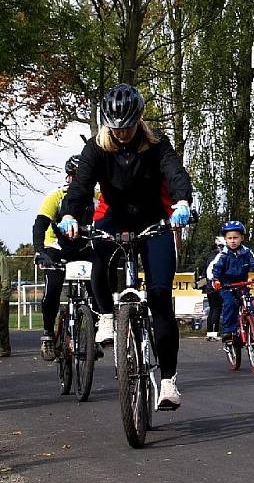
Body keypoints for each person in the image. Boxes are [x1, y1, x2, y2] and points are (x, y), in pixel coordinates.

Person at [59, 83, 193, 410]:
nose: (122, 133)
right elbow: (81, 188)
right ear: (108, 123)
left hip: (153, 221)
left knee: (161, 297)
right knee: (99, 262)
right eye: (116, 127)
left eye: (128, 126)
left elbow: (176, 174)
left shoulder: (157, 144)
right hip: (115, 219)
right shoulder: (96, 149)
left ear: (139, 120)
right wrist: (68, 215)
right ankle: (106, 316)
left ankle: (168, 382)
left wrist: (182, 203)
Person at [32, 155, 96, 361]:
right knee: (52, 290)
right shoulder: (56, 196)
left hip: (83, 248)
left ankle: (94, 335)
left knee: (99, 285)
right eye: (74, 177)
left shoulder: (96, 197)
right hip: (57, 248)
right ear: (68, 178)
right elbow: (40, 224)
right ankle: (48, 334)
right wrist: (40, 251)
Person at [209, 221, 254, 344]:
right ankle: (229, 332)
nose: (233, 241)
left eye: (235, 238)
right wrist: (215, 280)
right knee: (230, 303)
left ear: (242, 238)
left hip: (242, 284)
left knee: (250, 306)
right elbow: (214, 268)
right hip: (226, 285)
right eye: (229, 238)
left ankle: (251, 331)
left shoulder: (247, 252)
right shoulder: (223, 254)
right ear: (225, 239)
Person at [198, 237, 225, 341]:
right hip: (215, 285)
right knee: (216, 309)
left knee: (213, 309)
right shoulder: (218, 256)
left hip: (210, 286)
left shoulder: (210, 255)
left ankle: (210, 332)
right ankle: (213, 333)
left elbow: (204, 270)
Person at [0, 248, 11, 357]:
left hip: (1, 295)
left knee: (2, 323)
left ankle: (4, 348)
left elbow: (5, 278)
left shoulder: (1, 258)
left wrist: (3, 296)